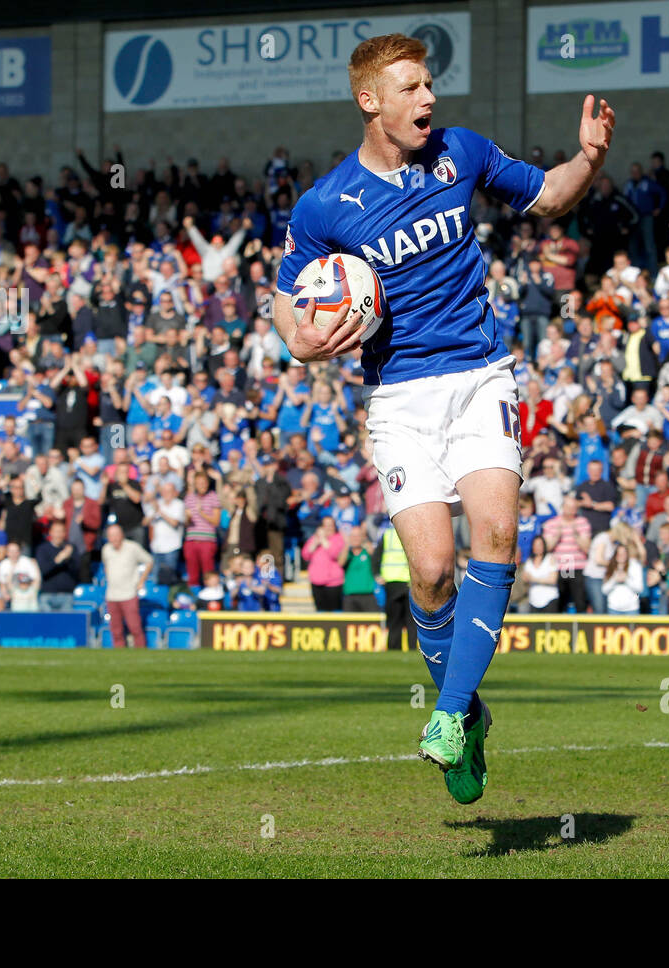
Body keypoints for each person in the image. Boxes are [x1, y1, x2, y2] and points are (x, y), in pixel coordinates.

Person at [271, 32, 614, 802]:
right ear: (370, 101)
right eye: (411, 88)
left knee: (495, 535)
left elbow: (550, 195)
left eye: (430, 85)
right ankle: (470, 712)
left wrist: (588, 157)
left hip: (480, 374)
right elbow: (289, 308)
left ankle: (451, 714)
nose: (428, 99)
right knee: (428, 575)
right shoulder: (325, 205)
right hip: (397, 397)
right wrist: (304, 343)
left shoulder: (463, 151)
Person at [102, 523, 152, 647]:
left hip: (129, 594)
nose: (113, 538)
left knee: (135, 627)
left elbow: (149, 561)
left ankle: (141, 652)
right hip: (112, 595)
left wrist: (141, 581)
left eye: (116, 535)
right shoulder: (106, 549)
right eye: (110, 536)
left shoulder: (132, 547)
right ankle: (119, 655)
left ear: (122, 535)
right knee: (116, 630)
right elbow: (106, 566)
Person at [374, 519, 416, 649]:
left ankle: (393, 648)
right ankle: (411, 648)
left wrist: (377, 574)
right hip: (407, 582)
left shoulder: (387, 534)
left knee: (394, 620)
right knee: (410, 621)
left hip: (391, 582)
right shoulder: (411, 534)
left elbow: (376, 556)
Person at [302, 516, 346, 611]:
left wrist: (324, 540)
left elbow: (334, 554)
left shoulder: (338, 538)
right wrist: (315, 543)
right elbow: (306, 554)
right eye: (325, 525)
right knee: (320, 611)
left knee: (335, 610)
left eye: (330, 525)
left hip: (333, 582)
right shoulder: (315, 538)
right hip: (316, 581)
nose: (328, 528)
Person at [35, 520, 81, 611]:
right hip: (47, 595)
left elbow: (76, 570)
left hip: (67, 595)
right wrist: (59, 559)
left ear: (65, 533)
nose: (59, 535)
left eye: (61, 531)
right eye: (56, 531)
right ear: (50, 532)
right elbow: (44, 570)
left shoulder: (71, 548)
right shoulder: (42, 549)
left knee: (65, 624)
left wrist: (68, 559)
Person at [340, 525, 378, 612]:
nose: (355, 538)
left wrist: (366, 542)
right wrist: (347, 545)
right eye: (353, 536)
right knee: (349, 624)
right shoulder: (347, 553)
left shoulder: (367, 552)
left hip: (368, 595)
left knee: (371, 624)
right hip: (350, 596)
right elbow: (340, 562)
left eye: (358, 536)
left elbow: (375, 556)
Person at [521, 535, 560, 613]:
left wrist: (533, 579)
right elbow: (524, 578)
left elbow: (553, 580)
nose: (537, 547)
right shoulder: (529, 561)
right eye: (535, 545)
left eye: (540, 545)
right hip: (533, 600)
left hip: (550, 599)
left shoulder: (550, 558)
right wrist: (543, 579)